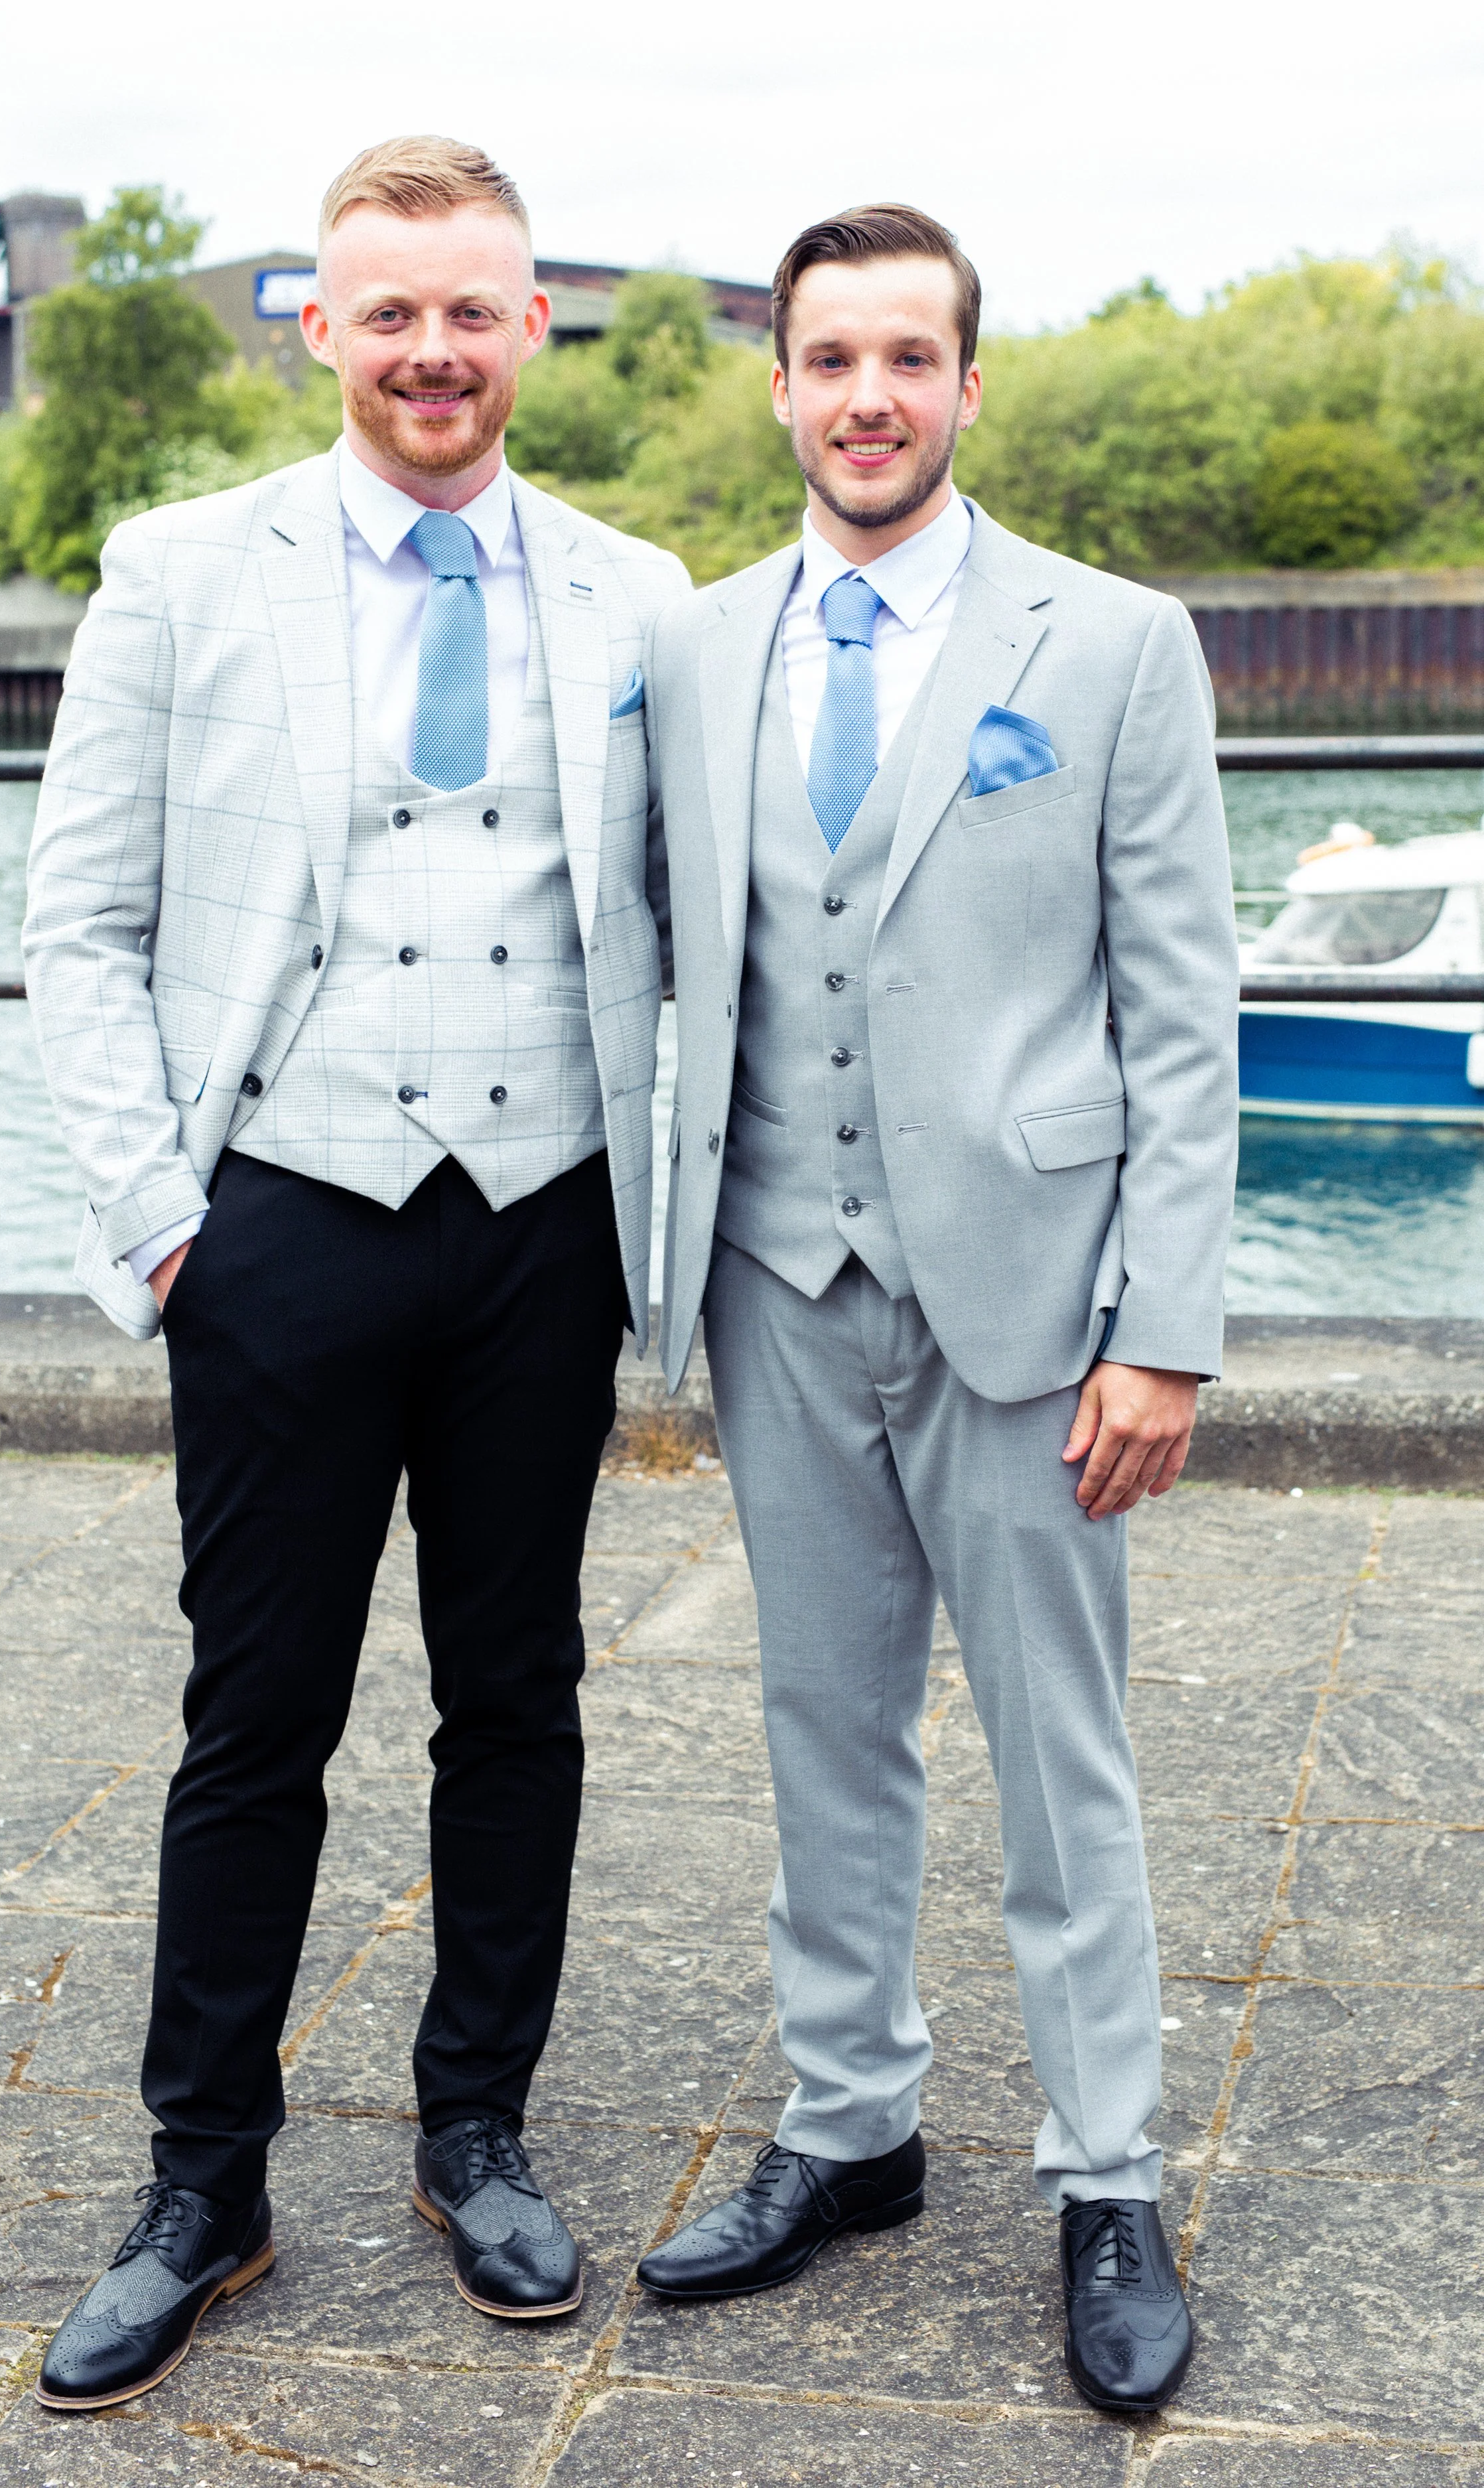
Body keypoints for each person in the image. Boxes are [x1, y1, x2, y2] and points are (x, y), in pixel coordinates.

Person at [23, 135, 688, 2409]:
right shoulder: (177, 572)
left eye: (470, 308)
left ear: (530, 327)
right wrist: (165, 1225)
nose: (430, 350)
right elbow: (79, 927)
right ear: (318, 325)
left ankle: (474, 2125)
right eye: (384, 310)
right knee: (256, 1714)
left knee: (517, 1694)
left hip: (542, 1216)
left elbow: (697, 940)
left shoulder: (638, 596)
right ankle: (202, 2175)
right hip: (279, 1220)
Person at [634, 204, 1238, 2414]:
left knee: (1060, 1759)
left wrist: (1161, 1320)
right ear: (778, 387)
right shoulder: (693, 651)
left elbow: (1182, 1012)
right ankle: (848, 2125)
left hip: (1031, 1294)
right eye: (827, 360)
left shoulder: (1111, 642)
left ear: (969, 384)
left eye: (909, 357)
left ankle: (1106, 2168)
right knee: (822, 1725)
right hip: (775, 1277)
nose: (866, 397)